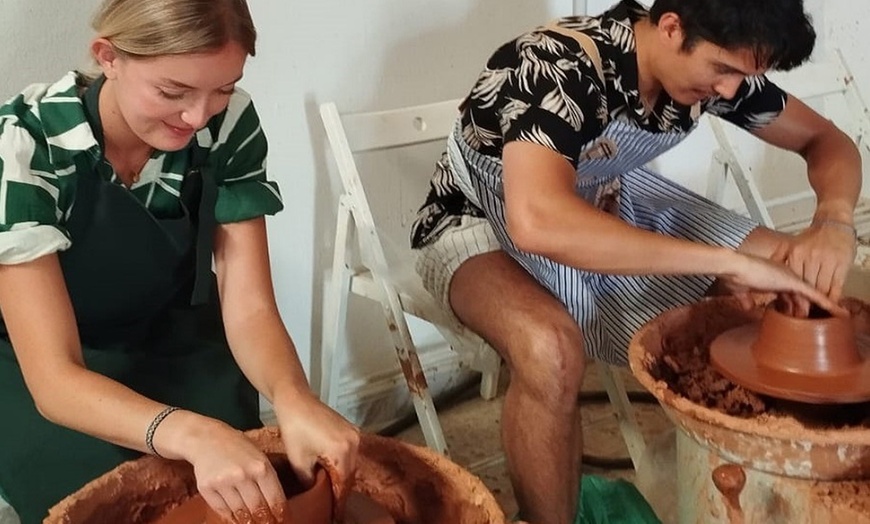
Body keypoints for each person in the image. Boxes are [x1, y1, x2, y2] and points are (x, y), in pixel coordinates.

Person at [410, 0, 859, 523]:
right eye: (725, 70)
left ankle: (754, 486)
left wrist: (833, 220)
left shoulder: (715, 67)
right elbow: (538, 221)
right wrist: (721, 261)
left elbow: (827, 140)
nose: (733, 90)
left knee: (783, 272)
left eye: (744, 76)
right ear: (671, 27)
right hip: (476, 220)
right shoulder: (555, 66)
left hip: (602, 199)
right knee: (550, 349)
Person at [0, 1, 359, 523]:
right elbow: (55, 377)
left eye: (224, 87)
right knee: (105, 503)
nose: (197, 116)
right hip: (46, 367)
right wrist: (190, 432)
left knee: (247, 481)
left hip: (171, 337)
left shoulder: (227, 124)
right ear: (108, 57)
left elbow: (251, 307)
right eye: (172, 92)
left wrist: (294, 396)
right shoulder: (24, 148)